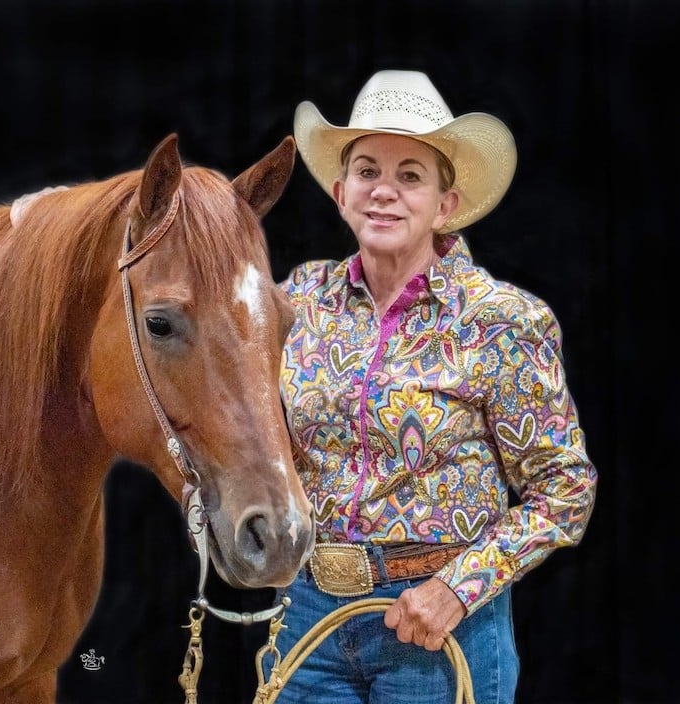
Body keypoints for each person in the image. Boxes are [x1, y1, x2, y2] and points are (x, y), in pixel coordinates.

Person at [269, 69, 598, 703]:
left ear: (445, 205)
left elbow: (566, 489)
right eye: (367, 171)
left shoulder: (502, 321)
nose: (383, 192)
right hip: (308, 617)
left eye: (409, 176)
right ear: (341, 193)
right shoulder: (298, 300)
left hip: (436, 626)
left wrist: (459, 587)